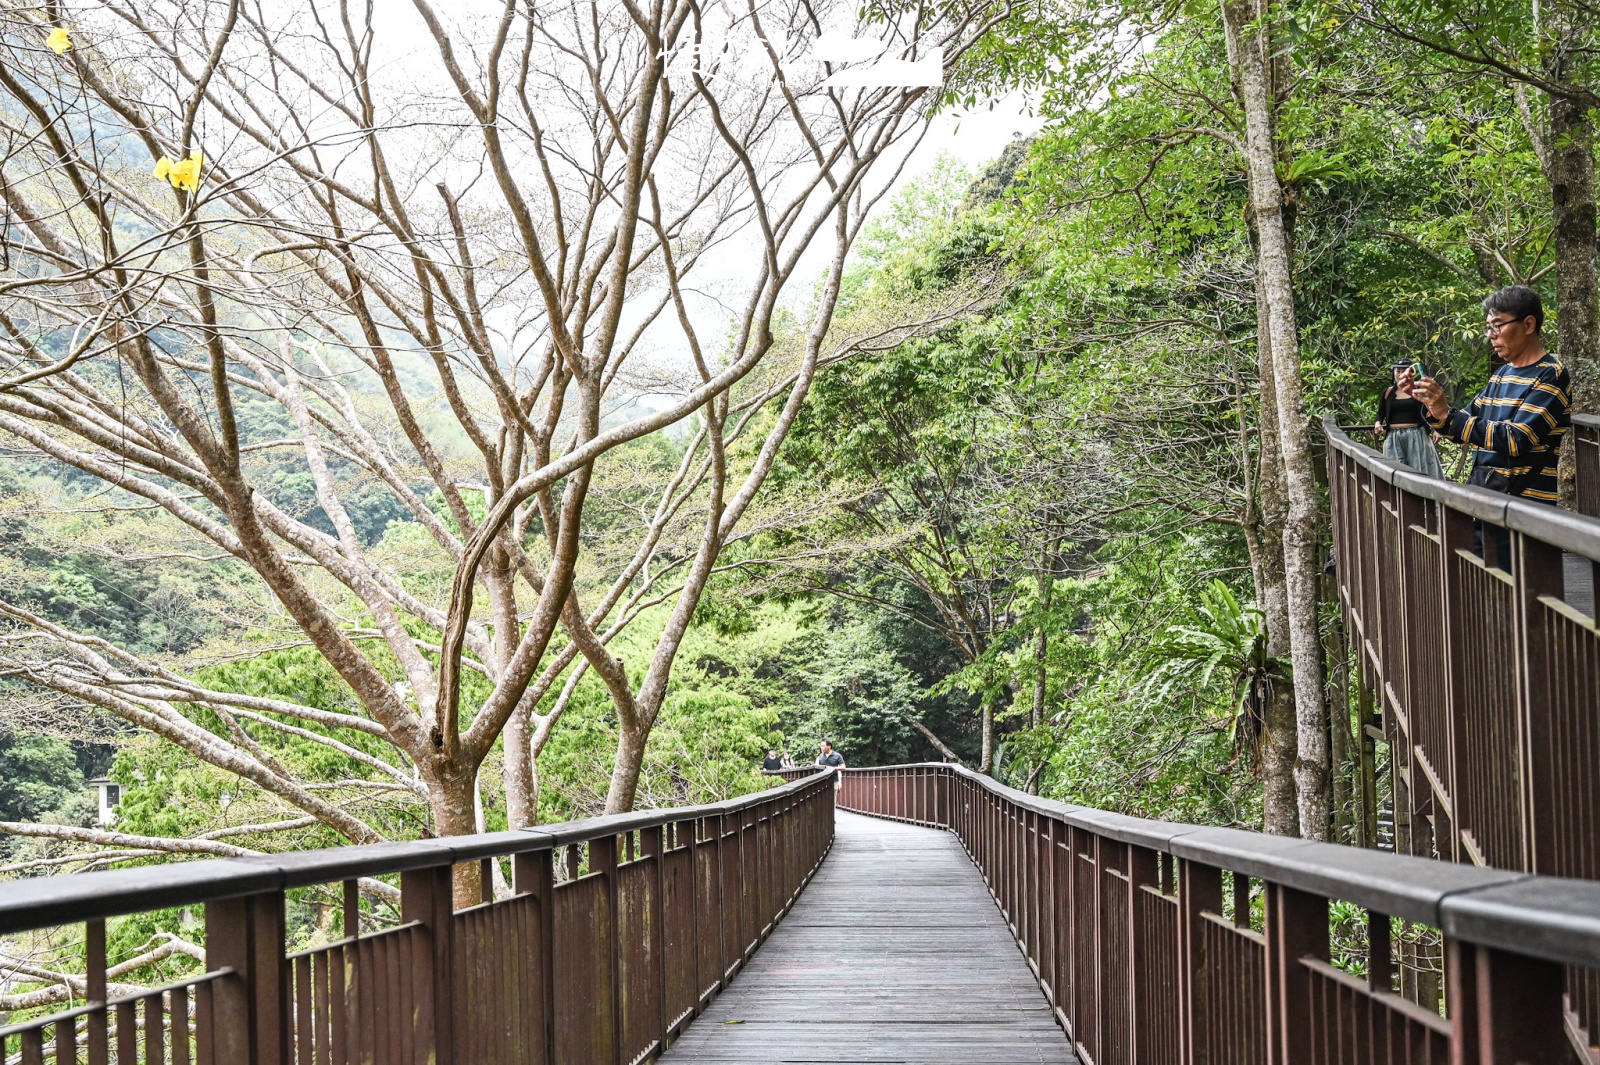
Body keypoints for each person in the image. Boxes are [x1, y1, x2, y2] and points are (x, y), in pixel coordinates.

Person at [1412, 285, 1571, 565]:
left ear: (1528, 324)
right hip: (1488, 503)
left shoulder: (1552, 376)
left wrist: (1451, 418)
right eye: (1488, 327)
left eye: (1497, 326)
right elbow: (1460, 426)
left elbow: (1516, 439)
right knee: (1480, 595)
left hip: (1525, 512)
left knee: (1518, 600)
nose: (1490, 336)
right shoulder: (1501, 375)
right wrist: (1435, 410)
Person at [1373, 363, 1443, 478]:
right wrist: (1378, 423)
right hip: (1394, 437)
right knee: (1395, 472)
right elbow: (1381, 413)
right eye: (1397, 371)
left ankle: (1422, 495)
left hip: (1416, 435)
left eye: (1404, 371)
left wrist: (1438, 429)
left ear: (1411, 373)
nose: (1400, 374)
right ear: (1393, 373)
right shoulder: (1388, 392)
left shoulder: (1419, 391)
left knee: (1419, 472)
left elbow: (1430, 411)